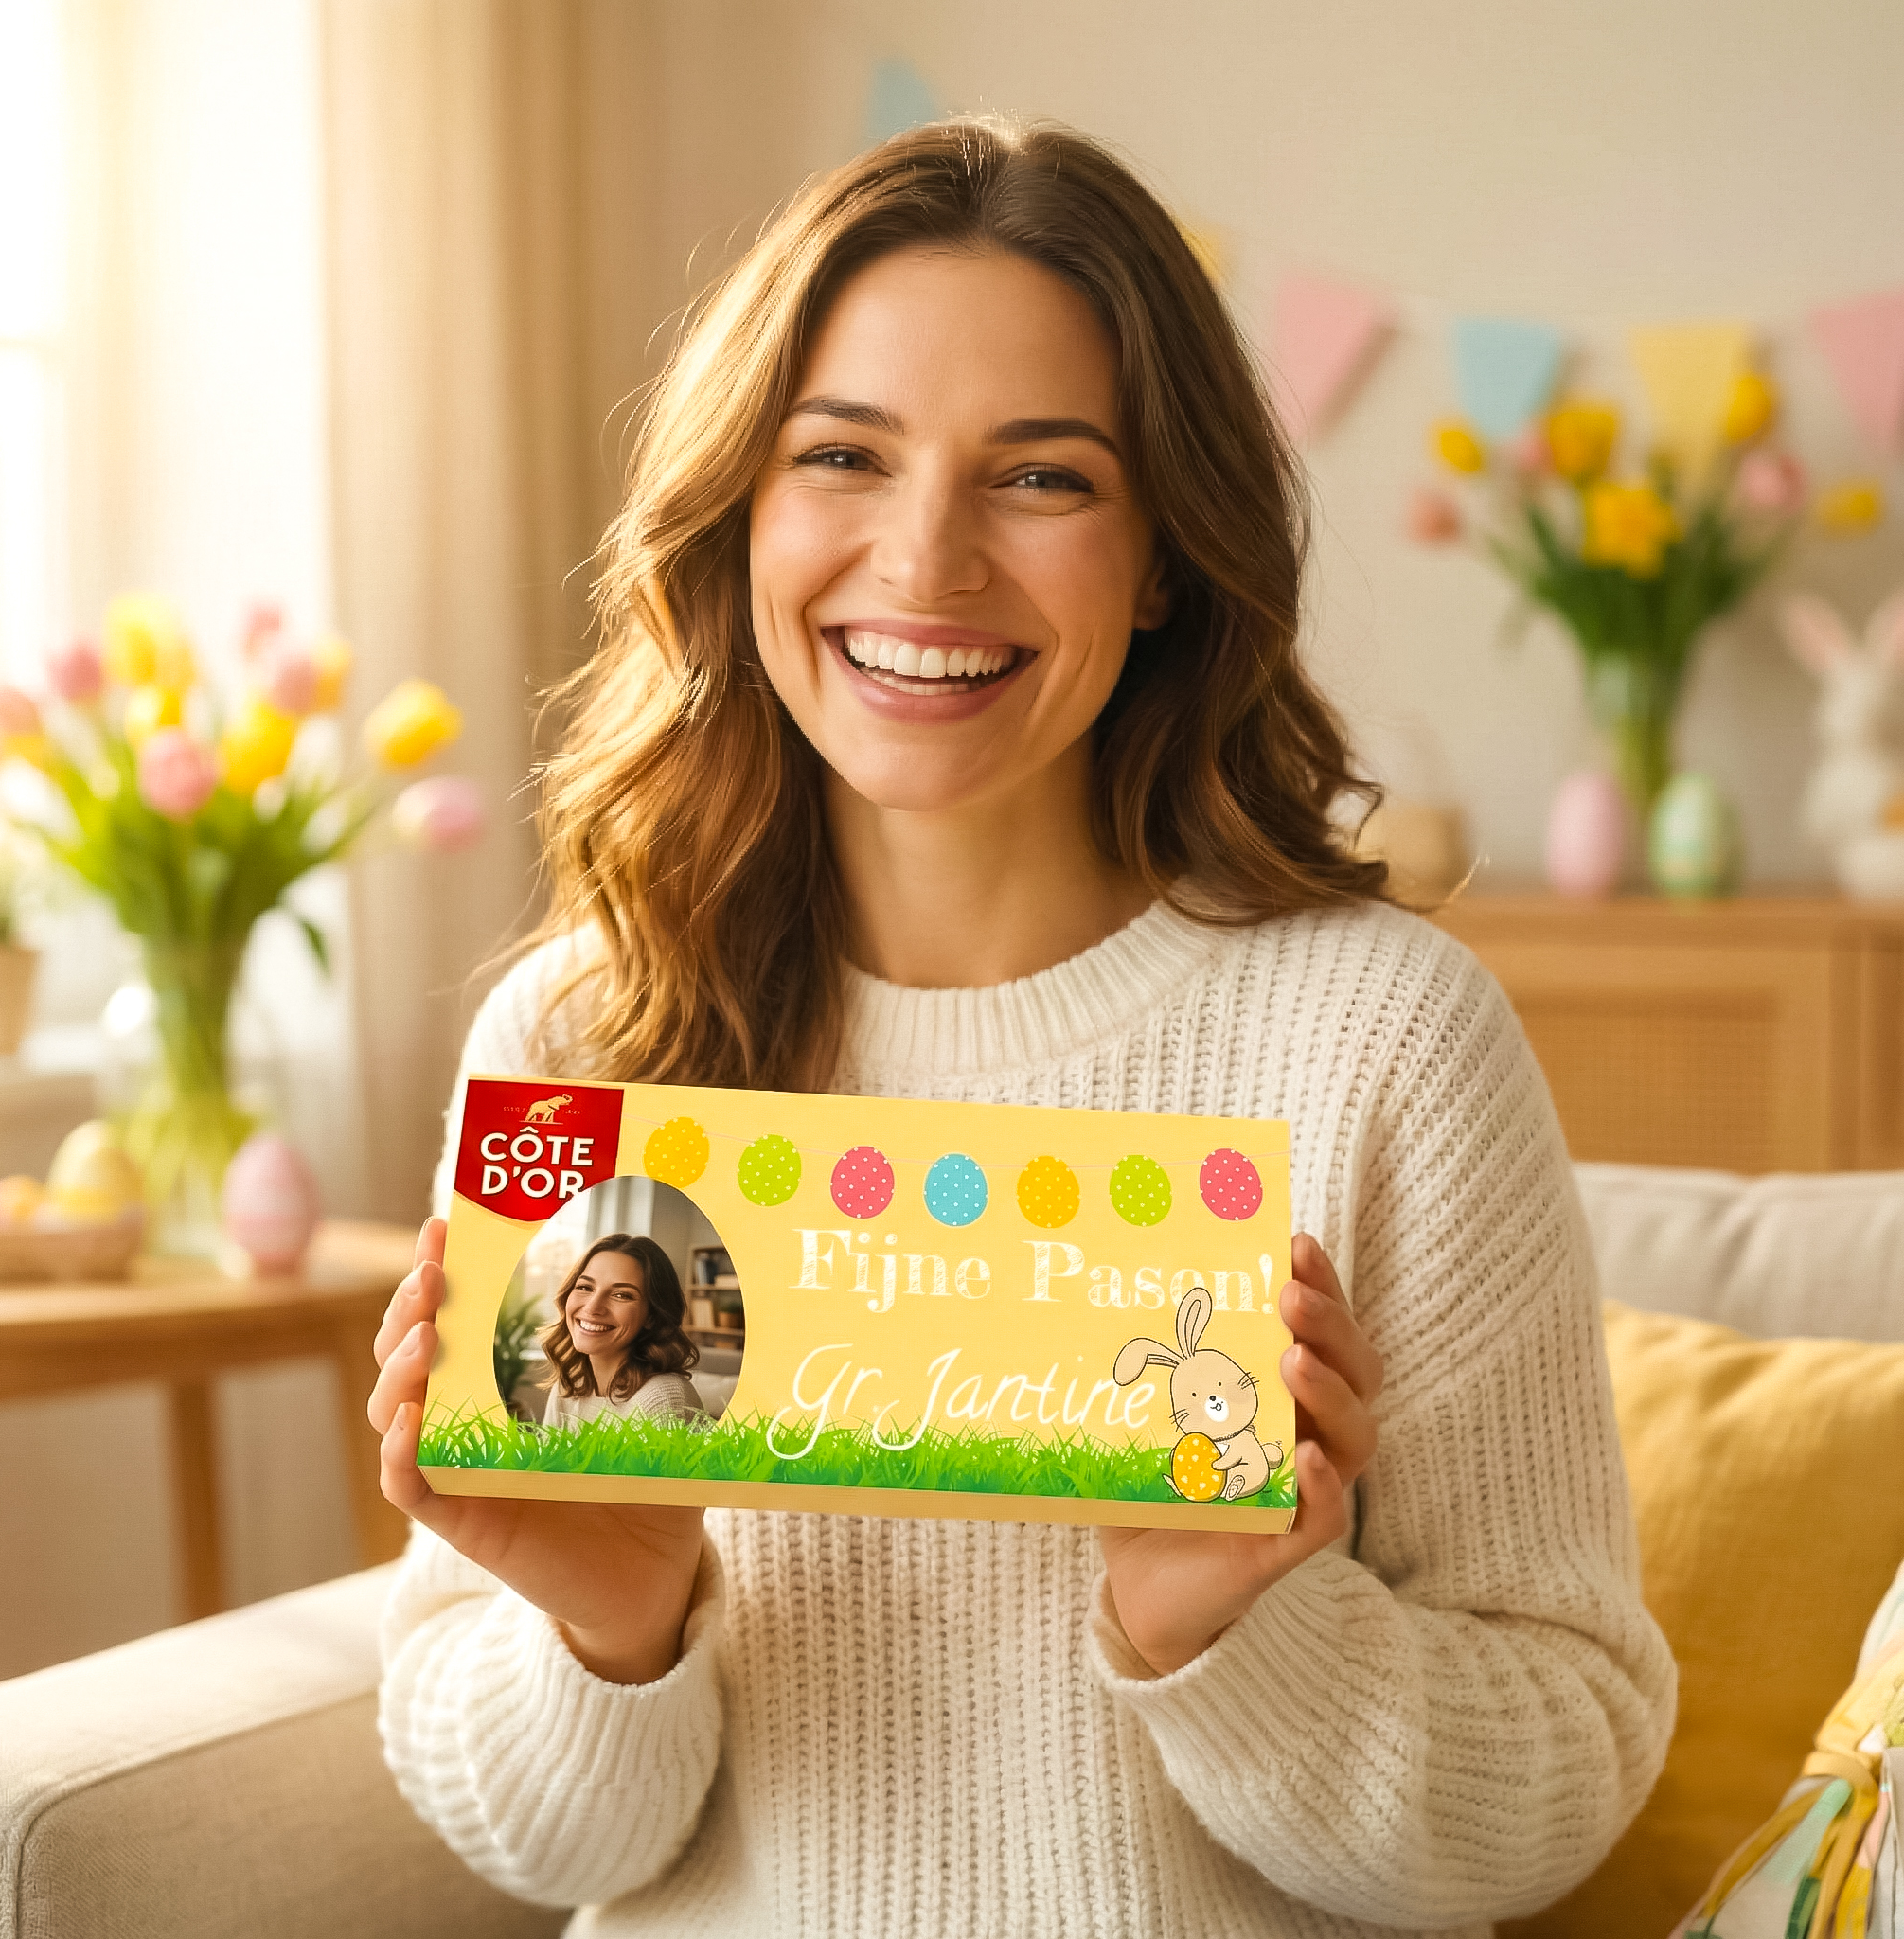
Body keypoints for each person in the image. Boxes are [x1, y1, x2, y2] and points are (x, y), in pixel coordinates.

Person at [366, 116, 1674, 1937]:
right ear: (741, 512)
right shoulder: (585, 1031)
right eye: (842, 455)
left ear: (1163, 557)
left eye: (1041, 476)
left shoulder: (1384, 1037)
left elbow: (1563, 1779)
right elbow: (537, 1845)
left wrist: (1225, 1628)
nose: (926, 560)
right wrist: (610, 1624)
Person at [539, 1234, 705, 1429]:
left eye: (621, 1295)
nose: (592, 1308)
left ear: (652, 1316)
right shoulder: (569, 1385)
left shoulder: (664, 1399)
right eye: (585, 1287)